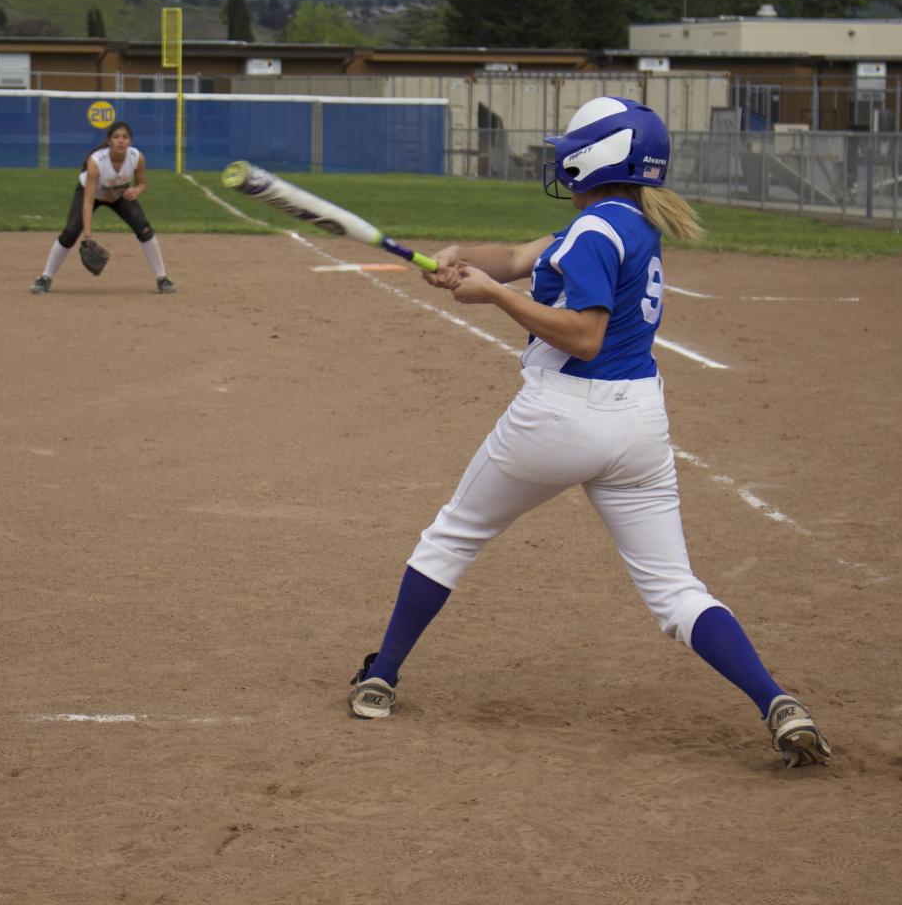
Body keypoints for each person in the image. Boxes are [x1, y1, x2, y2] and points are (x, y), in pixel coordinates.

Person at [346, 96, 832, 768]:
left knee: (452, 535)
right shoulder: (625, 221)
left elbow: (583, 334)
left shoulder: (595, 233)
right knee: (675, 590)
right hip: (638, 425)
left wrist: (492, 295)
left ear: (600, 156)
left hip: (561, 415)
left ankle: (382, 676)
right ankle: (777, 701)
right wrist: (462, 260)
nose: (559, 156)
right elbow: (524, 254)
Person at [29, 121, 176, 295]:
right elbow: (88, 202)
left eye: (125, 137)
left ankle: (162, 278)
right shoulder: (97, 162)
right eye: (116, 137)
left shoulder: (137, 157)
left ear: (130, 141)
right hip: (92, 194)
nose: (120, 141)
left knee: (144, 228)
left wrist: (137, 189)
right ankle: (45, 278)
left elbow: (143, 183)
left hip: (119, 194)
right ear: (109, 141)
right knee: (70, 232)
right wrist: (88, 236)